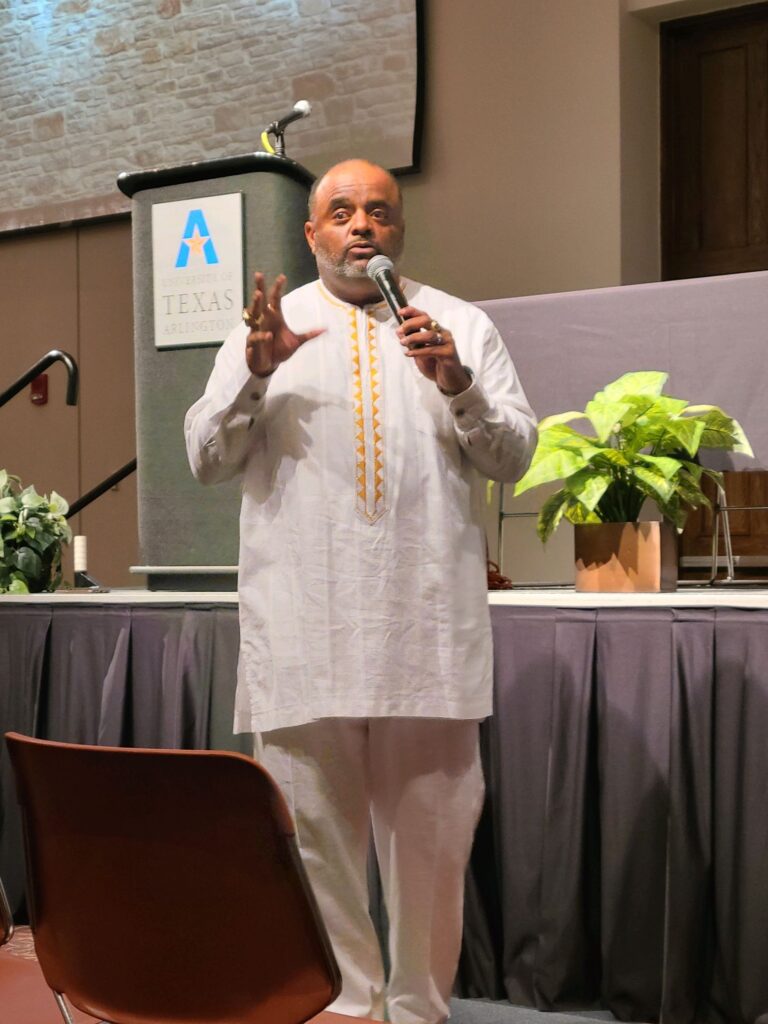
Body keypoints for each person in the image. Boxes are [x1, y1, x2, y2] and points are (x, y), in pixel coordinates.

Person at [185, 159, 537, 1024]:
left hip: (427, 636)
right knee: (315, 854)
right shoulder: (269, 328)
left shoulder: (456, 323)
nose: (361, 226)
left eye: (378, 211)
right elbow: (204, 457)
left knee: (432, 851)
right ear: (311, 235)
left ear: (399, 230)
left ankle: (418, 1012)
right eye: (340, 212)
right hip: (306, 631)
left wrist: (458, 383)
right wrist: (254, 373)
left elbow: (515, 456)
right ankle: (345, 1011)